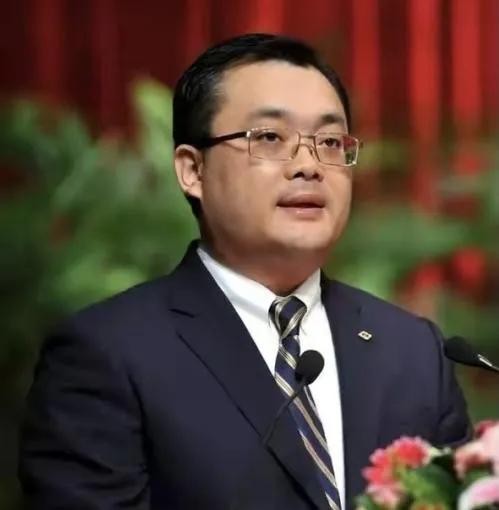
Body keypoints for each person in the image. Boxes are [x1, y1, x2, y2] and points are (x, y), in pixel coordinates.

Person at [19, 33, 471, 510]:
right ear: (193, 170)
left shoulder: (414, 352)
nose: (309, 166)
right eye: (270, 138)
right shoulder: (108, 354)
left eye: (330, 142)